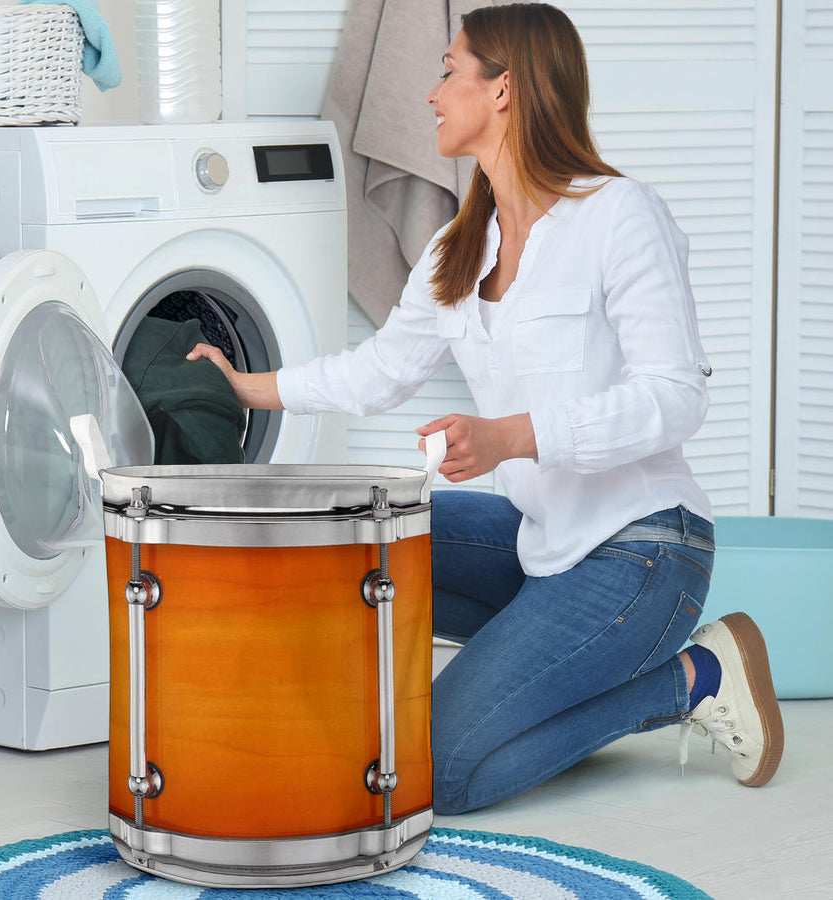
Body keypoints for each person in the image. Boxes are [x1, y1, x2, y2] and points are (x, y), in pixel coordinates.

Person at [187, 2, 784, 815]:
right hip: (543, 544)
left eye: (448, 71)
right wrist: (250, 384)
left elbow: (676, 399)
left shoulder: (617, 214)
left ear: (503, 90)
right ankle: (482, 684)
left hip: (645, 550)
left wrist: (514, 437)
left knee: (439, 775)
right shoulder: (457, 247)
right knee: (360, 543)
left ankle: (693, 679)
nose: (431, 93)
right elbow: (380, 371)